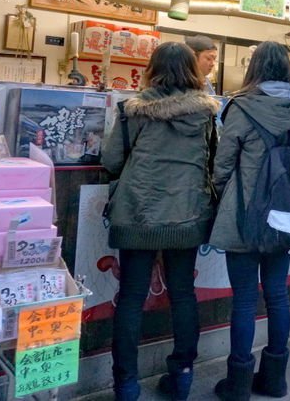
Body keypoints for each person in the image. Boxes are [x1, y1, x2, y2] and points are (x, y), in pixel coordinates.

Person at [102, 42, 219, 401]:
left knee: (131, 298)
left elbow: (111, 161)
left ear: (152, 68)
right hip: (187, 214)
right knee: (183, 294)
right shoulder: (207, 115)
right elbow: (215, 163)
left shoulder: (131, 111)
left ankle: (126, 385)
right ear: (192, 71)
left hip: (137, 212)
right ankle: (182, 377)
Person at [209, 42, 290, 400]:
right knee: (279, 294)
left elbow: (223, 163)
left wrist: (220, 192)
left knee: (246, 300)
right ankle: (275, 379)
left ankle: (237, 385)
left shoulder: (241, 106)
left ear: (254, 67)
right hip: (284, 215)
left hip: (243, 214)